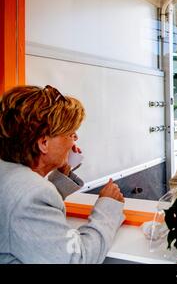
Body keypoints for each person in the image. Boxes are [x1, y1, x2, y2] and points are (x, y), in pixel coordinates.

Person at [0, 85, 125, 264]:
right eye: (70, 134)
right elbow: (76, 259)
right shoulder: (32, 194)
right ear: (44, 142)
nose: (75, 139)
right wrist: (107, 207)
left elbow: (26, 218)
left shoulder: (9, 173)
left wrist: (59, 177)